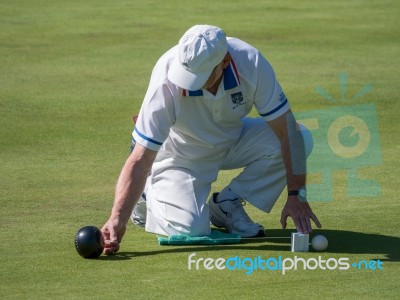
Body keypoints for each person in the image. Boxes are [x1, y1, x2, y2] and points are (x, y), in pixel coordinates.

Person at [101, 25, 321, 254]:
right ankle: (147, 192)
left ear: (224, 62)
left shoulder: (251, 62)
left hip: (232, 139)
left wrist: (297, 194)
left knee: (301, 137)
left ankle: (227, 203)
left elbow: (288, 133)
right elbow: (140, 157)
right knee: (191, 230)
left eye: (201, 76)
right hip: (180, 154)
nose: (187, 82)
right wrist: (118, 218)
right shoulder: (166, 77)